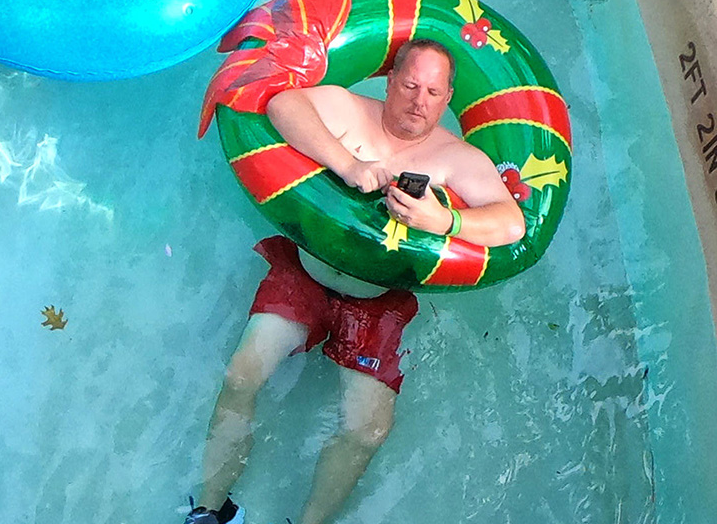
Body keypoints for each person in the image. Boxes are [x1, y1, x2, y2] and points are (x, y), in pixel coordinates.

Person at [186, 39, 525, 524]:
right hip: (306, 272)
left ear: (449, 97)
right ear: (389, 80)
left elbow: (510, 224)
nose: (418, 101)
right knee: (241, 376)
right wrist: (349, 164)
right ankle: (209, 509)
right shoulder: (349, 111)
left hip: (374, 300)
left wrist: (443, 222)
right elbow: (282, 101)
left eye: (432, 91)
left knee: (367, 431)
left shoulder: (456, 158)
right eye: (409, 85)